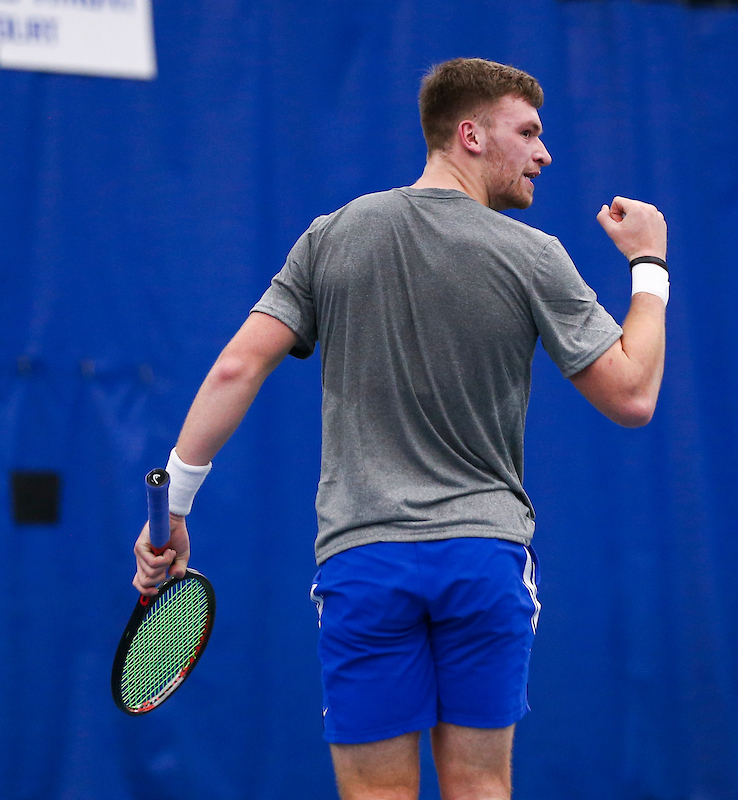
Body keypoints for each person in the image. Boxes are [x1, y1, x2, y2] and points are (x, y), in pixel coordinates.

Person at [131, 58, 669, 799]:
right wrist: (649, 262)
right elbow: (634, 394)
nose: (545, 153)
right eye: (530, 132)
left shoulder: (332, 235)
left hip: (365, 563)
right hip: (482, 560)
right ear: (471, 134)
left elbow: (234, 369)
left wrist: (178, 505)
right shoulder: (534, 255)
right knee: (480, 788)